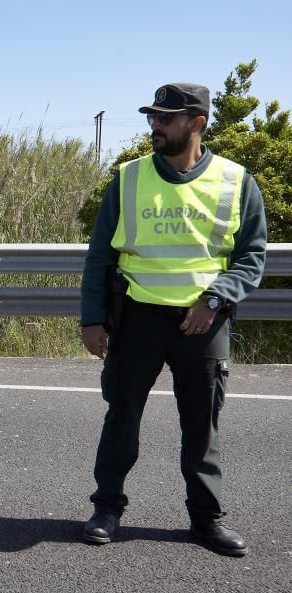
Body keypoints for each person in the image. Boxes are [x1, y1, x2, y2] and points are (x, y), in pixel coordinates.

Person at [79, 83, 268, 557]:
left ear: (197, 123)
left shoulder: (235, 182)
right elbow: (100, 255)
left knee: (201, 426)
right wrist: (93, 319)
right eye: (152, 117)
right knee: (121, 417)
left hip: (204, 324)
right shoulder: (127, 178)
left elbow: (251, 257)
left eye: (166, 118)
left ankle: (207, 520)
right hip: (136, 318)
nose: (155, 125)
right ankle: (106, 508)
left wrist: (215, 300)